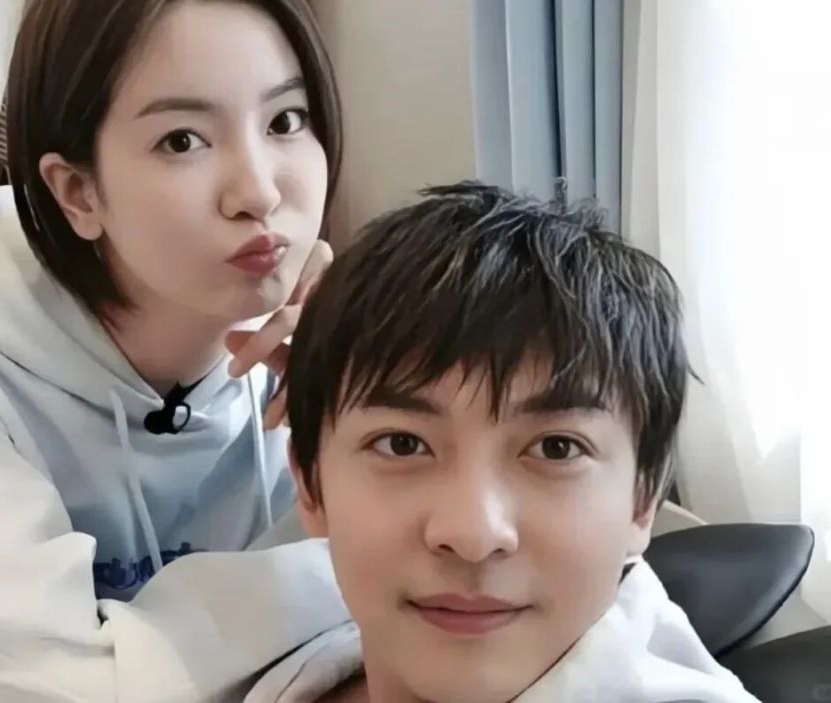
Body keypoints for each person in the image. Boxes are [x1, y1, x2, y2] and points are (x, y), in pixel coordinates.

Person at [0, 1, 349, 700]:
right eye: (182, 140)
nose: (260, 191)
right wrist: (351, 577)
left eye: (284, 121)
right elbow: (74, 681)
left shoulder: (304, 343)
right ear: (78, 192)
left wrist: (364, 414)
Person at [247, 183, 761, 702]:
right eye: (401, 444)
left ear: (642, 501)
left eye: (557, 448)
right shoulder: (223, 645)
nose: (473, 535)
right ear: (310, 485)